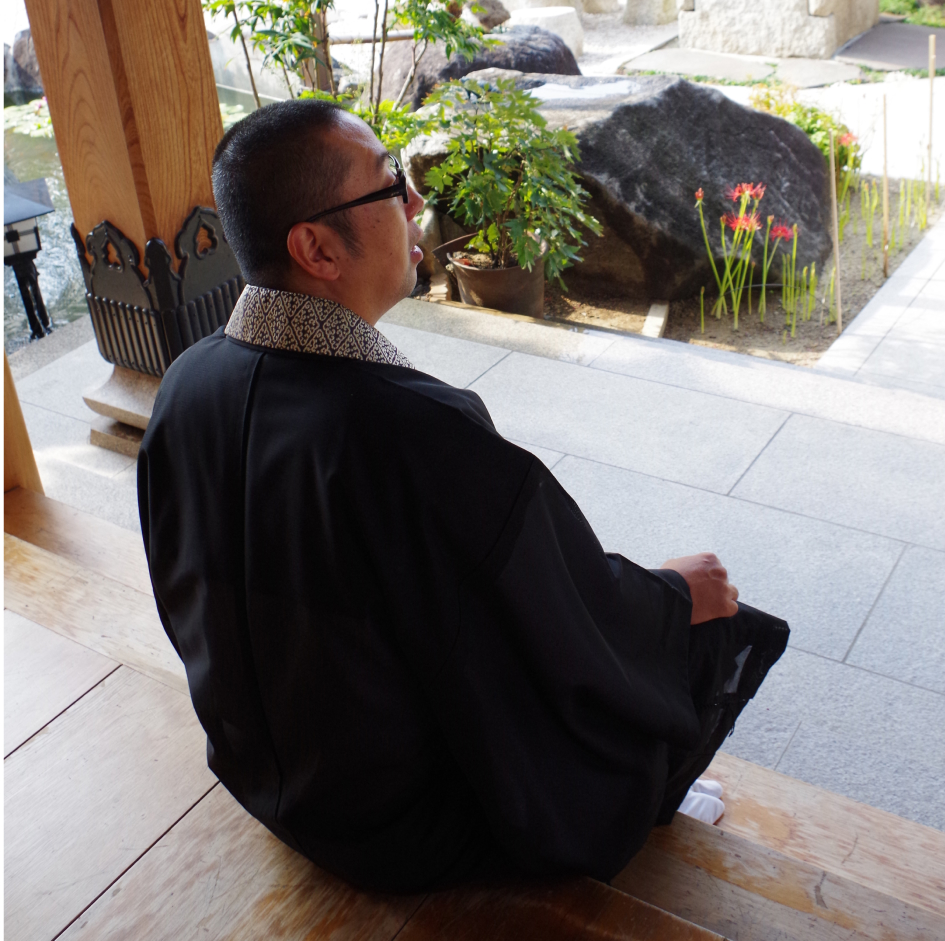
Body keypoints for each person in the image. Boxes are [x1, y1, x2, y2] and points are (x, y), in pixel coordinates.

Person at [138, 99, 788, 894]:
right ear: (316, 248)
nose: (414, 199)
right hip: (402, 825)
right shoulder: (410, 430)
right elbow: (555, 608)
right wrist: (667, 598)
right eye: (388, 185)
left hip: (264, 777)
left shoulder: (187, 382)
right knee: (662, 625)